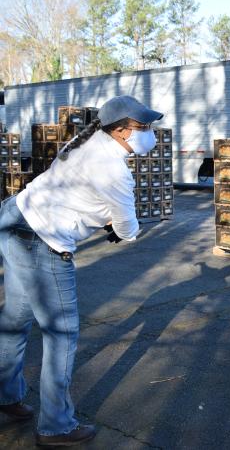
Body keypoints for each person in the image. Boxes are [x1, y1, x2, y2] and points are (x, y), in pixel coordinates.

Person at [0, 95, 163, 447]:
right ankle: (56, 426)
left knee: (15, 319)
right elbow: (128, 228)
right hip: (43, 239)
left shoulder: (87, 139)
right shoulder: (113, 168)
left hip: (15, 218)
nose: (151, 133)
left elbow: (84, 194)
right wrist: (118, 230)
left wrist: (102, 217)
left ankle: (6, 396)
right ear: (120, 131)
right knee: (61, 335)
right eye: (144, 127)